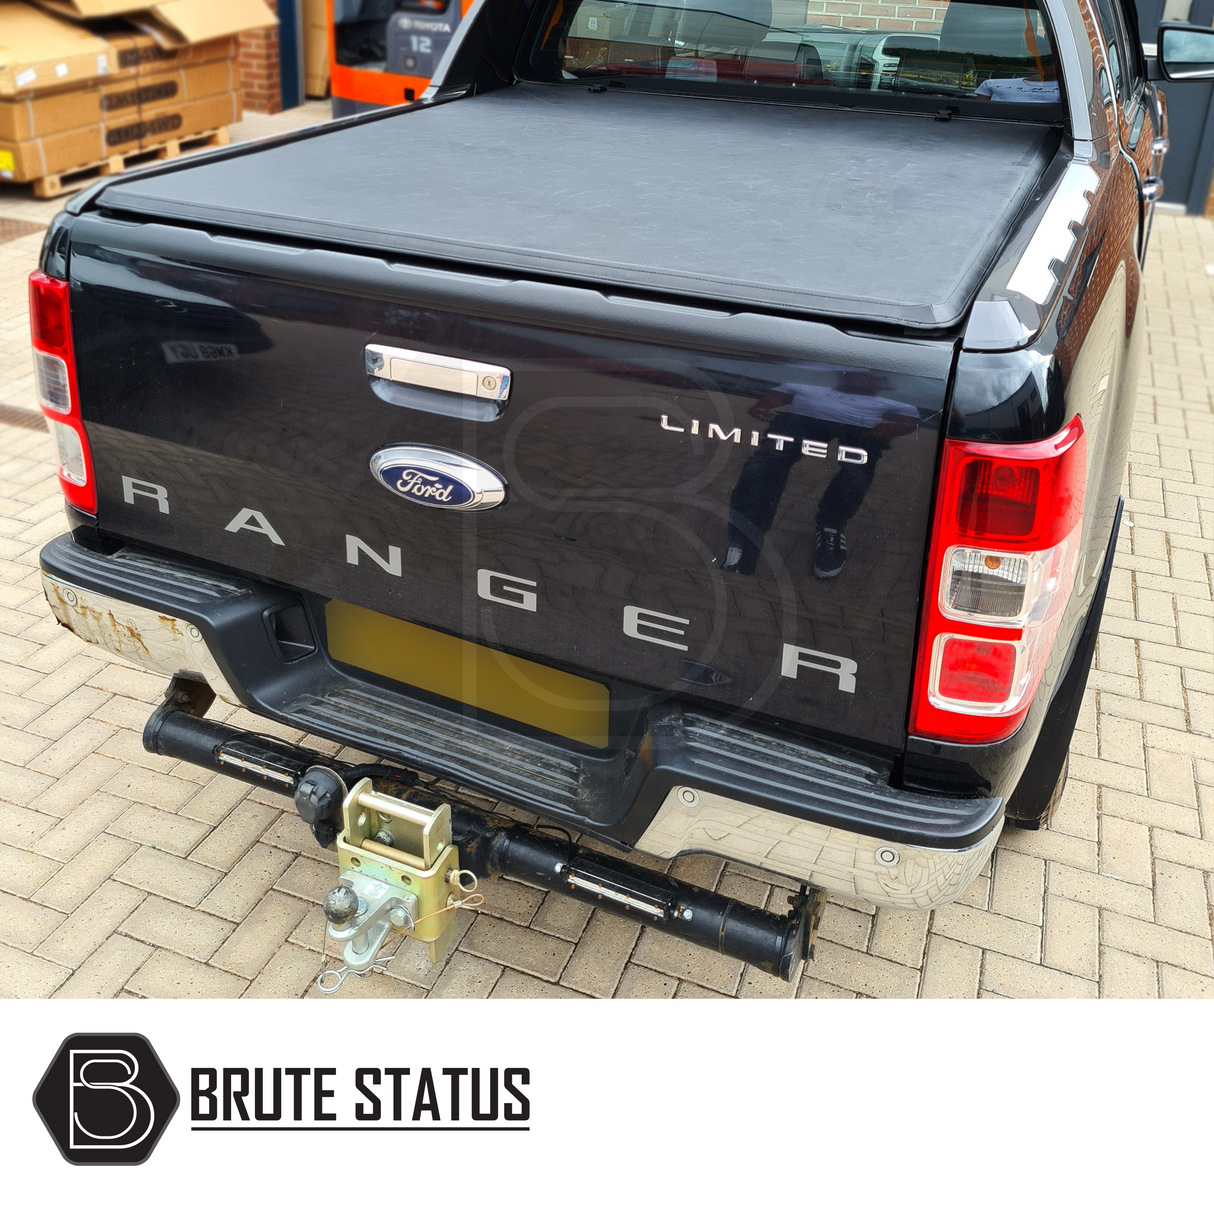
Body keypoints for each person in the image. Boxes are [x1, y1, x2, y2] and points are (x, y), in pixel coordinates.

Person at [724, 374, 919, 579]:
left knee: (856, 474)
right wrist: (764, 405)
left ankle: (831, 525)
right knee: (762, 465)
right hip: (803, 412)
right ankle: (744, 536)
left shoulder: (886, 365)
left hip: (865, 422)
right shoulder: (820, 360)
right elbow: (785, 389)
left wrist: (884, 432)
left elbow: (908, 416)